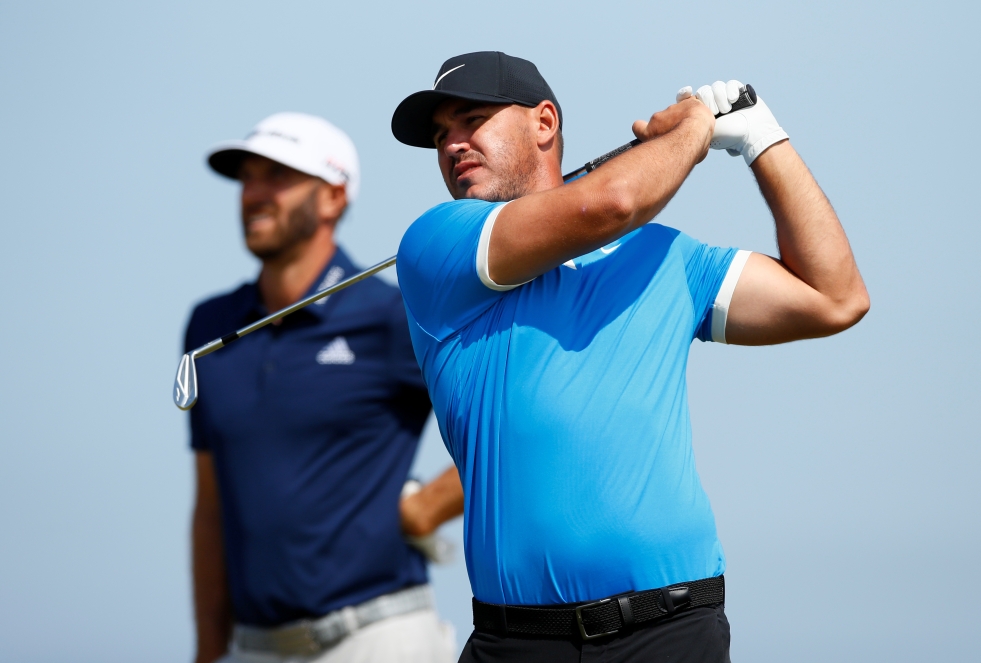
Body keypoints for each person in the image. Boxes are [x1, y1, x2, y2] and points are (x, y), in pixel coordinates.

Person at [390, 52, 869, 662]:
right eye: (439, 136)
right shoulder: (438, 245)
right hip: (518, 645)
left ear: (543, 124)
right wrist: (695, 128)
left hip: (672, 630)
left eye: (471, 120)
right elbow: (611, 202)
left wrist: (762, 138)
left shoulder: (666, 258)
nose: (452, 144)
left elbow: (835, 297)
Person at [183, 112, 463, 663]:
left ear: (334, 198)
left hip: (378, 639)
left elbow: (508, 423)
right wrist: (209, 649)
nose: (253, 194)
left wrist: (426, 507)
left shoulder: (388, 315)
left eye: (277, 177)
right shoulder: (208, 327)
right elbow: (211, 504)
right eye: (247, 178)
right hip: (254, 647)